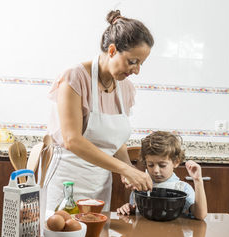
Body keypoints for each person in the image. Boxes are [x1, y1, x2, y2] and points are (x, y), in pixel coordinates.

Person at [42, 10, 154, 216]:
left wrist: (128, 168)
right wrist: (123, 169)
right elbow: (72, 140)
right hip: (67, 181)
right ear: (112, 50)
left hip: (100, 185)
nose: (137, 70)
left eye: (141, 63)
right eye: (133, 61)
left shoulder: (125, 88)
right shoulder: (75, 77)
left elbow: (114, 139)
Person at [117, 131, 208, 220]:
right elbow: (137, 211)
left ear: (176, 162)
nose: (155, 171)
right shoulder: (140, 186)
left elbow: (200, 215)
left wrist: (198, 180)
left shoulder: (182, 188)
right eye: (150, 165)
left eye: (162, 165)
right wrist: (129, 208)